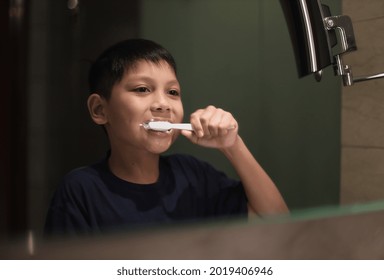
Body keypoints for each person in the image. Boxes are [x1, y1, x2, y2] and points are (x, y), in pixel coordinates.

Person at [44, 38, 288, 236]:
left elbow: (279, 225)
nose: (163, 104)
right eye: (142, 89)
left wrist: (232, 145)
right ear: (100, 110)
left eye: (172, 92)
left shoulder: (193, 176)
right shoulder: (81, 190)